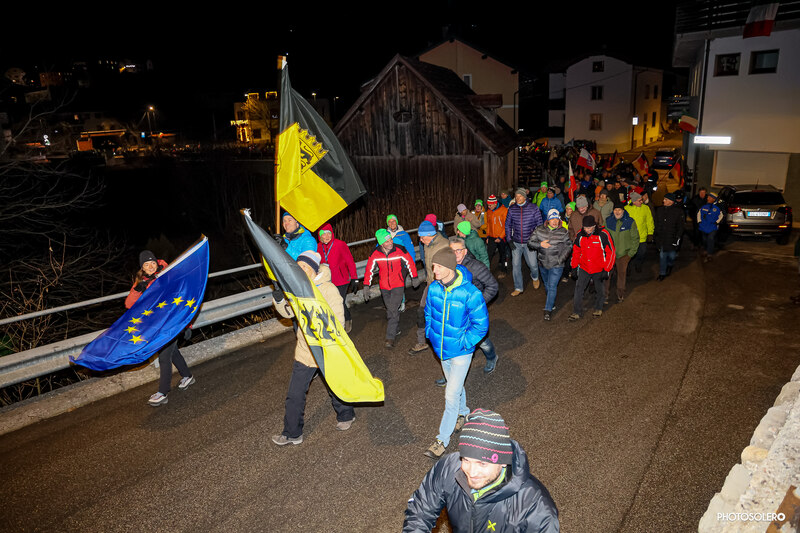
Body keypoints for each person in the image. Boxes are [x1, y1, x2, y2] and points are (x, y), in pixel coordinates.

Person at [404, 408, 560, 532]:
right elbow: (420, 510)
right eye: (466, 460)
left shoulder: (535, 506)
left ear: (503, 462)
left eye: (482, 463)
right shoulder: (449, 467)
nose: (471, 472)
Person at [271, 251, 355, 446]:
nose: (300, 270)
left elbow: (339, 320)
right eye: (298, 267)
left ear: (314, 269)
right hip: (305, 349)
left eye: (304, 267)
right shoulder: (298, 288)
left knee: (335, 384)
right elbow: (289, 312)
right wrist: (280, 300)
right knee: (295, 394)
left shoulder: (328, 289)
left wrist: (326, 338)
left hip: (326, 348)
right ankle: (292, 433)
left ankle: (346, 414)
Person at [422, 248, 489, 459]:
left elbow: (481, 326)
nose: (434, 270)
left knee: (450, 394)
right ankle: (464, 413)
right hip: (442, 351)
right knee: (455, 385)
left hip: (461, 352)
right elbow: (428, 313)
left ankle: (441, 440)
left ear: (450, 267)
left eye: (439, 266)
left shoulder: (471, 293)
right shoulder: (434, 288)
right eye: (434, 266)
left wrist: (464, 343)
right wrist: (430, 334)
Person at [127, 250, 195, 407]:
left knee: (164, 356)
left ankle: (162, 392)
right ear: (142, 268)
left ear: (157, 263)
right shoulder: (142, 281)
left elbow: (184, 297)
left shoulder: (168, 275)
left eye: (152, 263)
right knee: (173, 352)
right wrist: (138, 289)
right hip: (158, 326)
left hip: (174, 322)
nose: (150, 266)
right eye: (146, 264)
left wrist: (187, 324)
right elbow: (129, 304)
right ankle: (187, 376)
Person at [435, 237, 500, 386]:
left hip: (471, 313)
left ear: (464, 251)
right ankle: (450, 375)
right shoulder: (447, 265)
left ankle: (492, 357)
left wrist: (477, 304)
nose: (455, 254)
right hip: (453, 312)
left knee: (480, 341)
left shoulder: (475, 266)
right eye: (452, 251)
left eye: (458, 250)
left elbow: (492, 286)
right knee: (451, 342)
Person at [363, 229, 419, 348]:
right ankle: (396, 328)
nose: (390, 243)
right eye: (387, 241)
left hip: (398, 284)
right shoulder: (375, 253)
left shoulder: (399, 249)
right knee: (391, 309)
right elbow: (369, 270)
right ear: (381, 243)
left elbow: (410, 262)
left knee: (392, 309)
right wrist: (366, 285)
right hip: (384, 286)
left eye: (390, 240)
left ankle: (390, 337)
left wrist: (414, 277)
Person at [409, 220, 451, 355]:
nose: (420, 240)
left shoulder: (443, 245)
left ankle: (447, 342)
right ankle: (422, 342)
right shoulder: (428, 244)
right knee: (421, 312)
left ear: (429, 234)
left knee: (442, 315)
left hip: (442, 287)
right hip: (430, 284)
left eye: (422, 237)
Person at [527, 210, 572, 320]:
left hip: (557, 265)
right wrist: (540, 244)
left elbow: (569, 246)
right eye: (552, 219)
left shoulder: (563, 232)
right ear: (548, 220)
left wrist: (560, 260)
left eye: (557, 219)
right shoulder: (539, 230)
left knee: (552, 286)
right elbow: (530, 242)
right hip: (542, 263)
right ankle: (551, 302)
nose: (555, 221)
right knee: (547, 285)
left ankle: (547, 310)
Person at [568, 216, 615, 320]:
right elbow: (576, 252)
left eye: (589, 228)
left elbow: (611, 252)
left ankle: (598, 308)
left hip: (599, 268)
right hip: (584, 267)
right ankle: (576, 312)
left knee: (600, 289)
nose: (587, 230)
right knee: (579, 289)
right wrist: (574, 267)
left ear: (594, 226)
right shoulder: (580, 235)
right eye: (585, 227)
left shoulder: (603, 234)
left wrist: (607, 269)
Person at [317, 223, 357, 331]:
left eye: (328, 233)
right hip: (327, 280)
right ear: (320, 236)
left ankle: (347, 319)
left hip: (341, 279)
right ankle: (335, 321)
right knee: (330, 302)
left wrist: (354, 277)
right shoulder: (318, 247)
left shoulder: (340, 244)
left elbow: (350, 261)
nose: (326, 236)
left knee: (339, 301)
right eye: (323, 234)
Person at [505, 188, 543, 296]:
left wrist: (536, 239)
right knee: (516, 265)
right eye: (516, 196)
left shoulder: (533, 208)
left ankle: (535, 277)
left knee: (533, 265)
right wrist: (509, 239)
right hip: (516, 242)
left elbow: (539, 225)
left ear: (525, 197)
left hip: (529, 242)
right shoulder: (512, 209)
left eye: (520, 196)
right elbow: (508, 225)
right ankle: (518, 287)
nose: (518, 198)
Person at [604, 201, 639, 302]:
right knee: (606, 275)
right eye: (615, 209)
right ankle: (604, 295)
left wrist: (630, 253)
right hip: (610, 254)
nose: (617, 212)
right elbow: (603, 236)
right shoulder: (608, 221)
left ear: (623, 211)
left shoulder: (630, 222)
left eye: (619, 210)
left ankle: (620, 294)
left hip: (623, 254)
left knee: (621, 275)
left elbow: (635, 238)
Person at [654, 192, 685, 280]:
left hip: (672, 238)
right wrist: (655, 235)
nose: (663, 201)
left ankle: (670, 265)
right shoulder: (659, 210)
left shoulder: (678, 212)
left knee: (671, 256)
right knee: (662, 256)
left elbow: (681, 227)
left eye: (666, 199)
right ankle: (662, 273)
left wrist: (677, 238)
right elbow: (656, 223)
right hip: (662, 238)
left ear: (671, 201)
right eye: (664, 199)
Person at [624, 191, 654, 273]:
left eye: (641, 200)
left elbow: (649, 221)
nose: (642, 201)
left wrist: (650, 233)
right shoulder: (626, 209)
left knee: (641, 253)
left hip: (642, 236)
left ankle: (638, 264)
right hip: (630, 237)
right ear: (634, 201)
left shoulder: (645, 208)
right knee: (629, 254)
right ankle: (627, 267)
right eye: (639, 200)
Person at [485, 195, 510, 277]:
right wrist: (487, 236)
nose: (489, 207)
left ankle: (504, 270)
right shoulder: (489, 211)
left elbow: (507, 226)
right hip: (492, 237)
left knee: (503, 255)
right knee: (489, 255)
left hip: (502, 237)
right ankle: (486, 272)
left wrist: (500, 237)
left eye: (490, 205)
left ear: (495, 203)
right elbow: (488, 224)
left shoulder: (504, 210)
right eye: (488, 205)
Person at [698, 193, 723, 262]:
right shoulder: (704, 206)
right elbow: (699, 213)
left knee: (710, 238)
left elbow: (721, 215)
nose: (707, 198)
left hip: (713, 227)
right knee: (704, 239)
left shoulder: (718, 207)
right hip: (704, 226)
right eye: (708, 197)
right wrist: (699, 221)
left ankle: (709, 253)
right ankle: (706, 250)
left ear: (713, 199)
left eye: (709, 197)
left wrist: (717, 222)